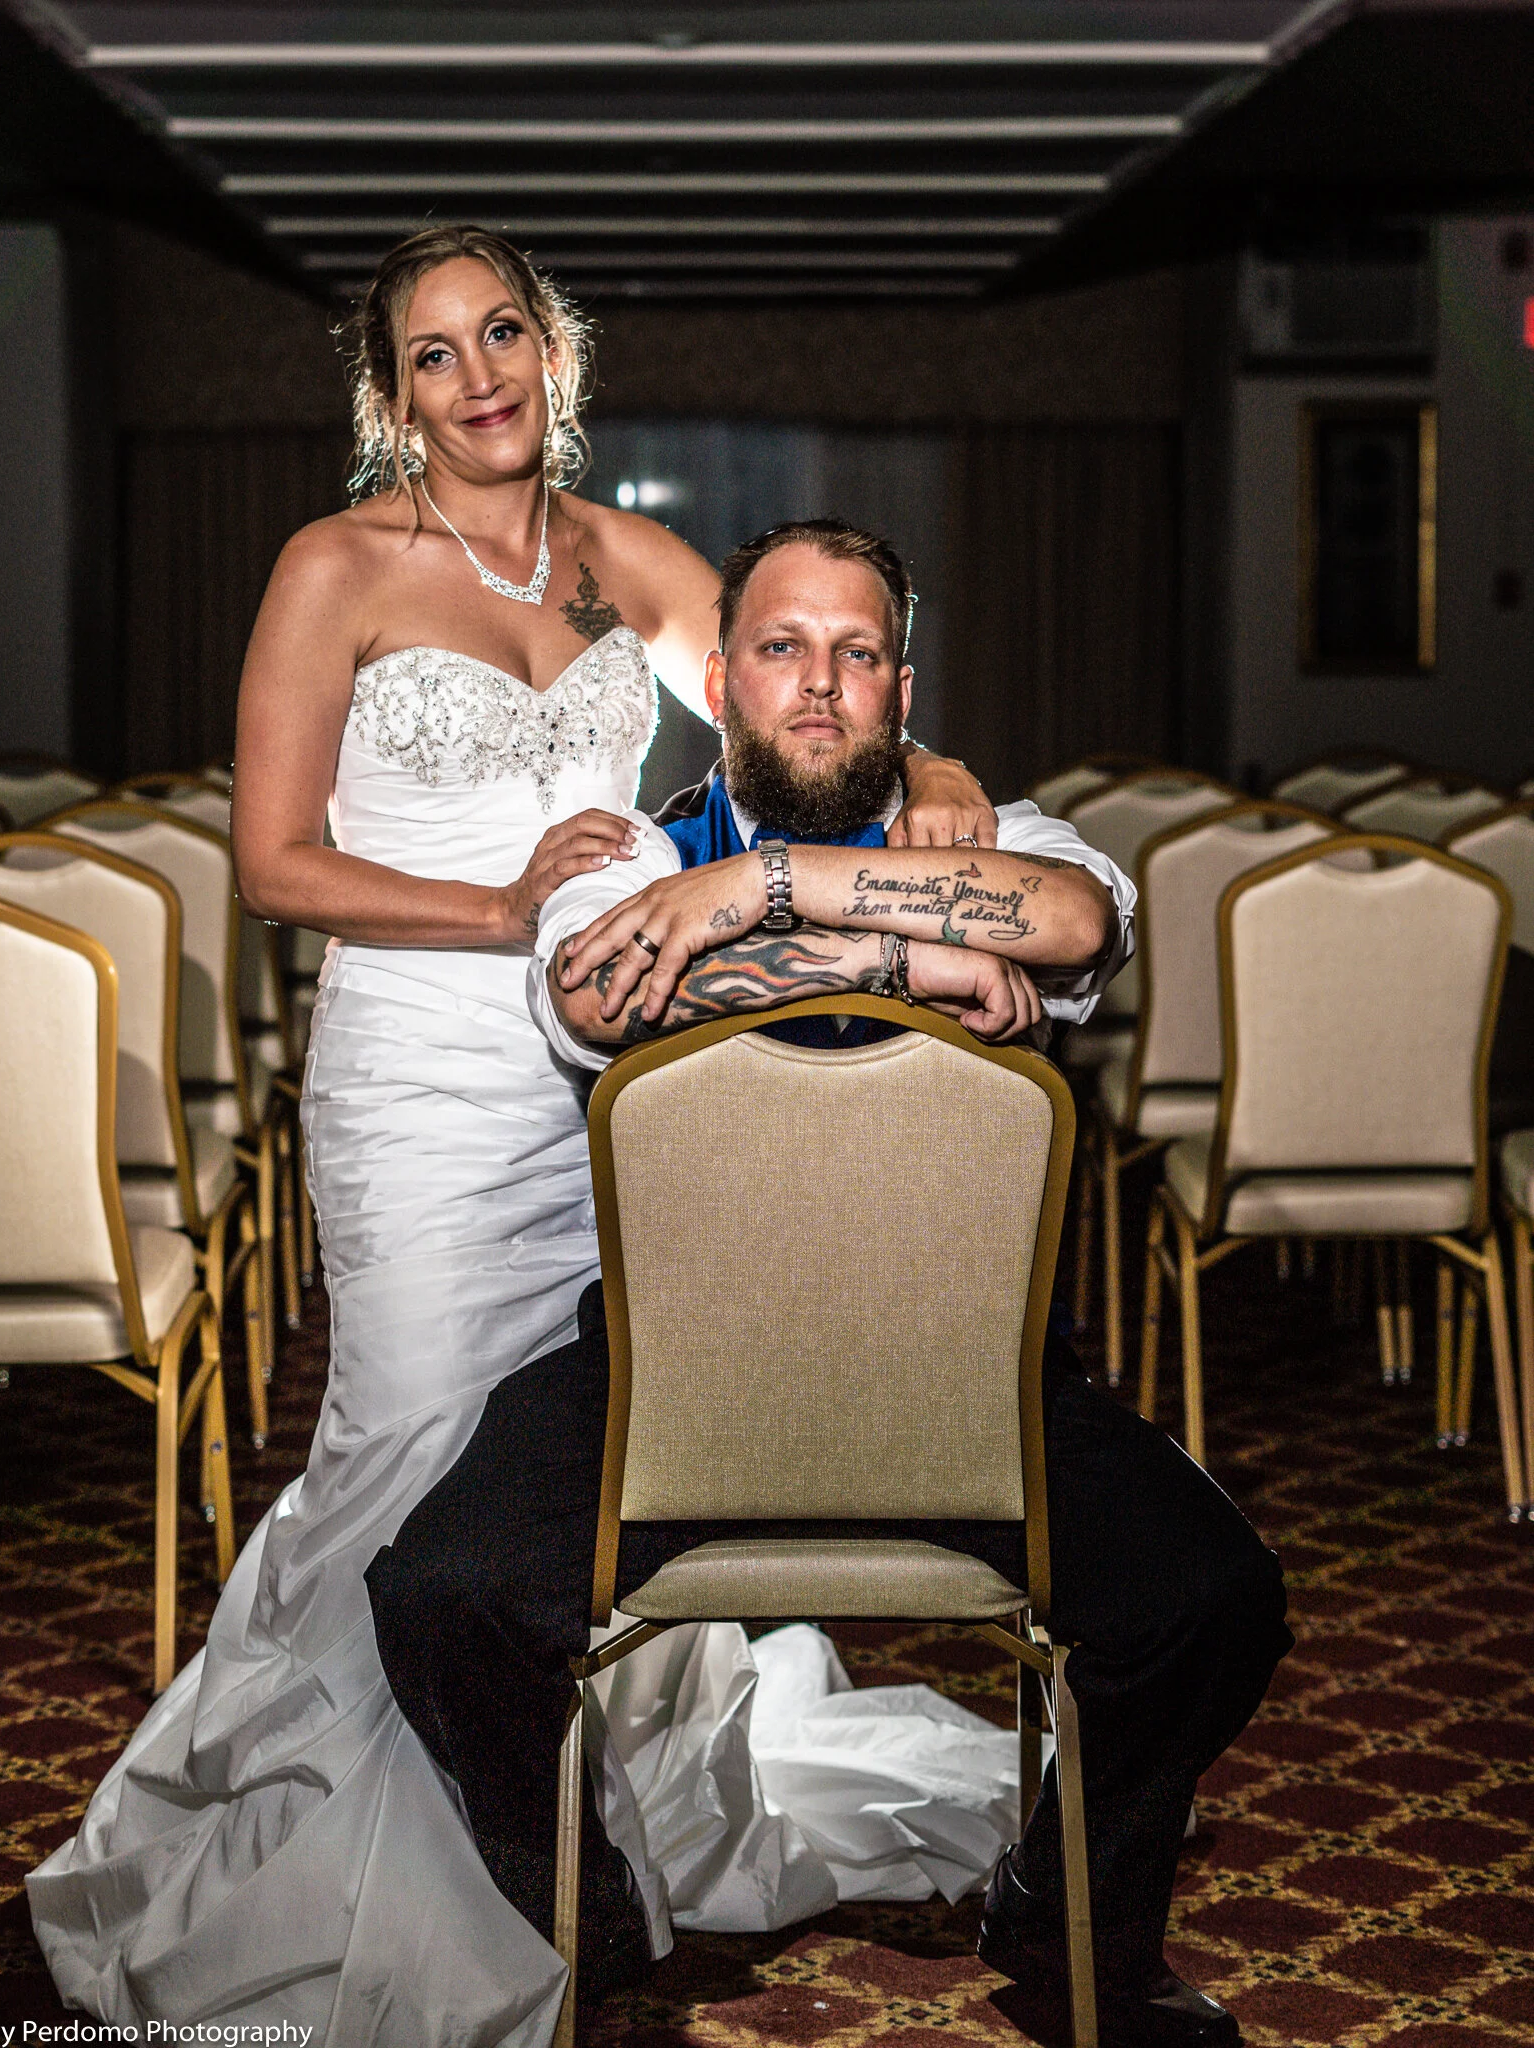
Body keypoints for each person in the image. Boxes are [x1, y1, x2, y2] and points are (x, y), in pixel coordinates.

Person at [25, 229, 996, 2046]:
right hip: (418, 1075)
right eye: (433, 353)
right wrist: (497, 910)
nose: (477, 376)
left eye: (502, 335)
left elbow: (801, 693)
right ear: (390, 397)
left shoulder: (627, 559)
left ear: (555, 353)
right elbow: (272, 863)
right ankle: (386, 1862)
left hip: (613, 1081)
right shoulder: (333, 567)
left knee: (584, 1463)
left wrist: (936, 774)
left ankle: (589, 1805)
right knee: (406, 1445)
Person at [370, 522, 1291, 2048]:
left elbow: (1074, 922)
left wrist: (768, 889)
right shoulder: (631, 855)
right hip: (673, 1388)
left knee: (1216, 1602)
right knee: (439, 1596)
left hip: (968, 1386)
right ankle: (593, 1923)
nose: (819, 683)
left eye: (858, 654)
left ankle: (1070, 1920)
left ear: (902, 691)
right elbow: (601, 990)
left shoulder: (1001, 836)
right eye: (783, 648)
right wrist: (901, 964)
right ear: (722, 678)